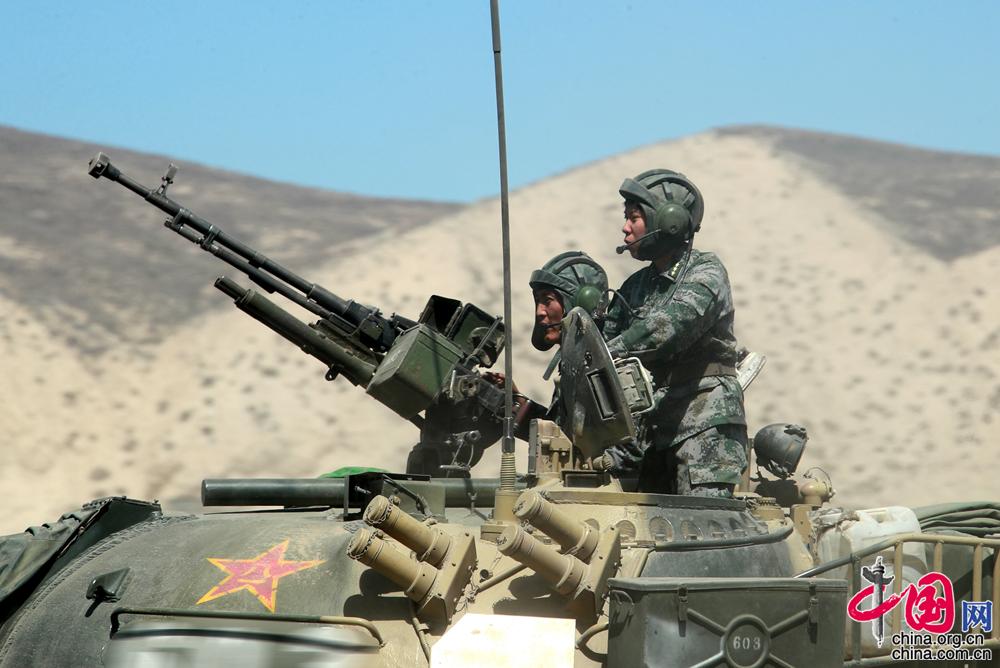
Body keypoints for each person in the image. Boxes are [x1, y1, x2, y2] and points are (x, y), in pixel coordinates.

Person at [599, 169, 747, 498]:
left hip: (704, 428)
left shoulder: (706, 271)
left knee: (702, 525)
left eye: (634, 218)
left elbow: (670, 326)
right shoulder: (634, 287)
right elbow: (602, 346)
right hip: (653, 435)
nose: (625, 228)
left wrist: (609, 352)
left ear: (668, 222)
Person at [485, 251, 609, 438]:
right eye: (537, 301)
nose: (539, 312)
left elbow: (614, 444)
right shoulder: (575, 361)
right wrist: (517, 402)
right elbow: (563, 433)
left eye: (547, 300)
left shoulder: (600, 363)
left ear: (581, 303)